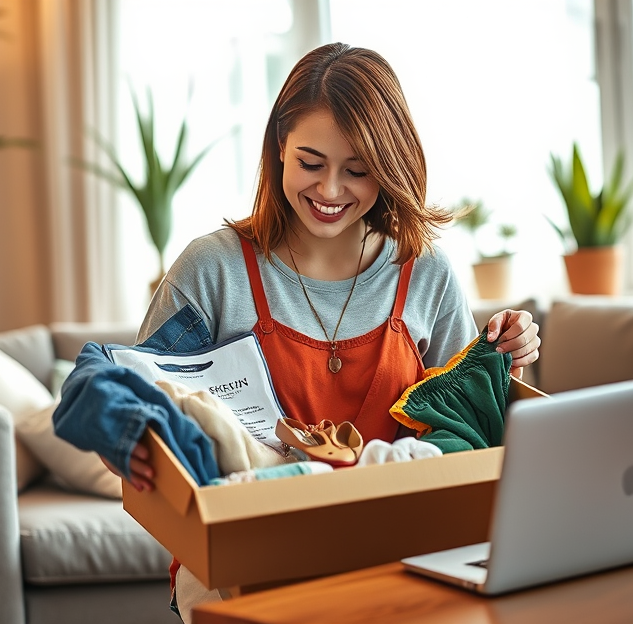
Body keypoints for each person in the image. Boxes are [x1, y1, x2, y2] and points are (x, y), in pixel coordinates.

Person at [83, 42, 540, 620]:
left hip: (400, 560)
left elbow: (463, 431)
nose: (329, 192)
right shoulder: (213, 269)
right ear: (279, 149)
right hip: (243, 572)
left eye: (357, 170)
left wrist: (504, 357)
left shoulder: (424, 271)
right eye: (310, 162)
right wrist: (124, 438)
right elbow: (132, 407)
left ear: (391, 168)